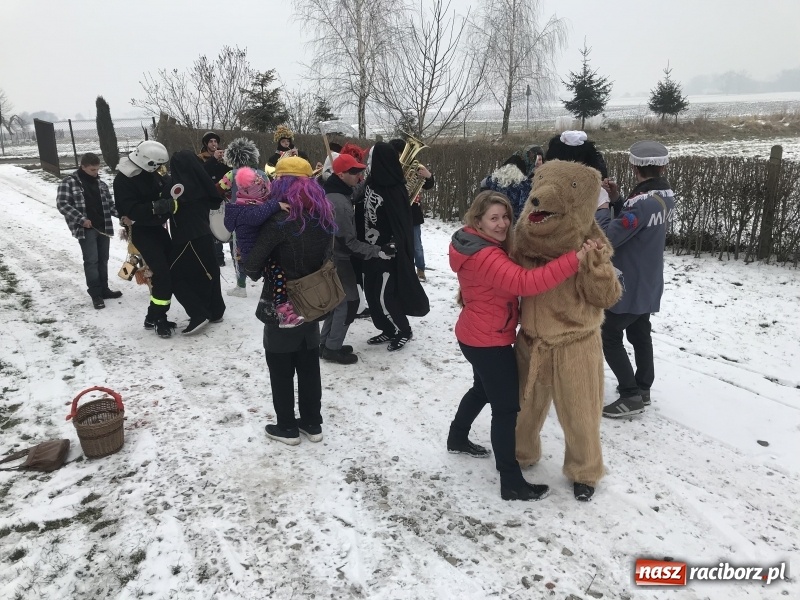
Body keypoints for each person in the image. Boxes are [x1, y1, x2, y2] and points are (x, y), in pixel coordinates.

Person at [448, 190, 599, 501]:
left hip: (473, 333)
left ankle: (457, 436)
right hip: (489, 340)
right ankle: (511, 481)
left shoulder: (468, 240)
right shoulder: (487, 255)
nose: (502, 224)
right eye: (494, 218)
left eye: (505, 217)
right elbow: (525, 283)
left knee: (481, 390)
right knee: (506, 410)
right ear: (478, 220)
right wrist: (575, 259)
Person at [244, 156, 337, 445]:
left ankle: (286, 427)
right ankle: (312, 422)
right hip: (312, 303)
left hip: (280, 306)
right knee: (309, 365)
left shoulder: (278, 221)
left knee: (281, 369)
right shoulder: (323, 217)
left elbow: (252, 267)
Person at [596, 141, 676, 418]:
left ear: (634, 167)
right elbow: (636, 223)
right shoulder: (664, 196)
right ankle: (643, 388)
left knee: (608, 333)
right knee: (640, 332)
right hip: (649, 280)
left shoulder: (643, 203)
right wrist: (618, 200)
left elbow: (609, 236)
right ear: (663, 166)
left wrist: (603, 206)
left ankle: (630, 395)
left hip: (629, 284)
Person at [358, 142, 429, 351]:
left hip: (388, 254)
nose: (368, 163)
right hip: (369, 250)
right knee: (371, 294)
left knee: (385, 295)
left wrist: (393, 245)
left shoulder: (395, 189)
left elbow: (402, 225)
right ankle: (388, 329)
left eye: (371, 158)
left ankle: (404, 330)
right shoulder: (370, 184)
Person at [320, 153, 389, 364]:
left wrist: (369, 179)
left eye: (361, 172)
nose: (359, 177)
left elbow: (352, 194)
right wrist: (378, 250)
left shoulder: (334, 191)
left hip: (330, 258)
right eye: (355, 173)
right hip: (337, 260)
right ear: (341, 175)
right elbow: (348, 243)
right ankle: (332, 348)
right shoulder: (339, 204)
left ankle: (325, 343)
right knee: (349, 303)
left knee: (338, 303)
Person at [113, 141, 175, 337]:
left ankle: (151, 316)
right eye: (155, 165)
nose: (158, 169)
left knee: (170, 268)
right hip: (142, 232)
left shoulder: (150, 172)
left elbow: (164, 186)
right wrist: (157, 207)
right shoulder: (124, 179)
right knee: (162, 275)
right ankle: (159, 319)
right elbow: (130, 210)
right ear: (146, 161)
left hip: (156, 228)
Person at [165, 150, 227, 335]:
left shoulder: (175, 185)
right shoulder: (202, 182)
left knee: (174, 275)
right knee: (209, 271)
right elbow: (215, 202)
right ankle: (216, 310)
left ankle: (198, 313)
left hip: (186, 237)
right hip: (204, 234)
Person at [56, 152, 123, 309]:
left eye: (97, 170)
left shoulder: (101, 184)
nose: (96, 173)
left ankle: (104, 289)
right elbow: (63, 204)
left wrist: (123, 215)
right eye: (92, 170)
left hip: (103, 227)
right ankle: (96, 294)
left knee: (103, 259)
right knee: (91, 260)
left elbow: (110, 205)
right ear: (83, 167)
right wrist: (81, 220)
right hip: (86, 229)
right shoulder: (69, 182)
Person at [217, 138, 269, 297]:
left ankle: (241, 286)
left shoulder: (232, 174)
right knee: (261, 248)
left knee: (238, 251)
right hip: (261, 216)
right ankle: (267, 279)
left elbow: (218, 189)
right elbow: (270, 193)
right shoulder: (262, 174)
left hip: (239, 218)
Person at [388, 138, 434, 281]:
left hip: (412, 213)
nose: (399, 157)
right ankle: (402, 269)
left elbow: (428, 185)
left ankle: (420, 269)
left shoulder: (416, 166)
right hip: (395, 213)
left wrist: (429, 176)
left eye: (400, 154)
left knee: (416, 245)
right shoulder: (388, 168)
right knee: (397, 244)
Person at [197, 131, 229, 267]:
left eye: (215, 141)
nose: (214, 144)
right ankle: (217, 256)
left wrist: (227, 160)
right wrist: (213, 160)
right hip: (208, 197)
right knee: (211, 226)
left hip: (223, 196)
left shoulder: (222, 157)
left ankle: (222, 254)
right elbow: (202, 173)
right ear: (206, 144)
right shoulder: (200, 158)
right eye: (211, 141)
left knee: (222, 224)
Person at [479, 155, 532, 219]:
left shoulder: (492, 180)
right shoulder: (524, 185)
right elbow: (522, 207)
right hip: (513, 221)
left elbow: (483, 184)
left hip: (493, 217)